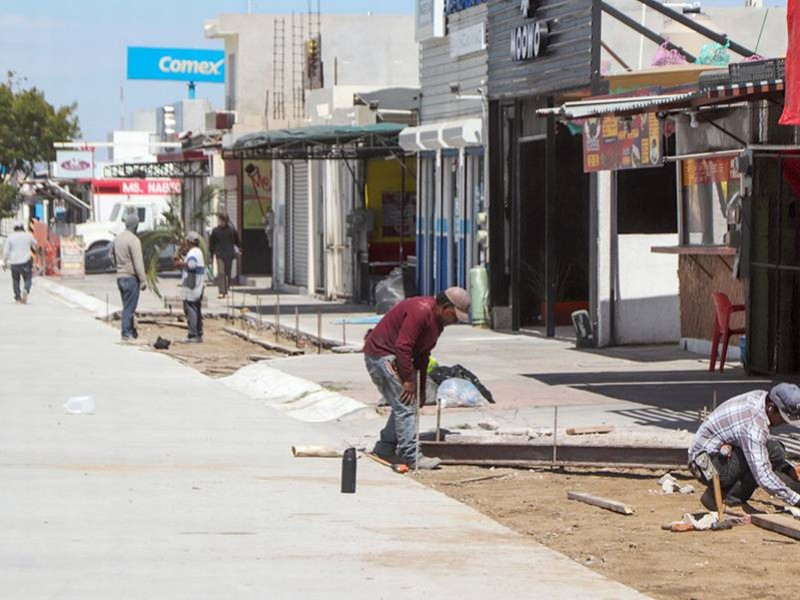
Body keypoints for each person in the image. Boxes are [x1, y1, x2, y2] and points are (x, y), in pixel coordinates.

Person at [363, 287, 471, 470]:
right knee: (405, 405)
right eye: (454, 315)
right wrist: (408, 381)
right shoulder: (420, 310)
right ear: (445, 307)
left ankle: (384, 448)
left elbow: (422, 354)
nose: (454, 321)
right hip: (381, 356)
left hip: (396, 356)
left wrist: (420, 388)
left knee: (407, 402)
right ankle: (410, 455)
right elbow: (403, 346)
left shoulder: (437, 323)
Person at [689, 383, 800, 510]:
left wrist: (787, 468)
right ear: (770, 408)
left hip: (708, 457)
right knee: (763, 458)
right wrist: (796, 500)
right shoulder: (753, 425)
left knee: (775, 450)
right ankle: (731, 500)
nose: (784, 423)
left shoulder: (760, 397)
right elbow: (762, 476)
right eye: (783, 419)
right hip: (705, 467)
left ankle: (718, 494)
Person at [113, 213, 147, 340]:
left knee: (127, 305)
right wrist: (143, 280)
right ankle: (126, 332)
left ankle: (132, 331)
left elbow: (111, 256)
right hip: (131, 278)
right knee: (130, 307)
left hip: (120, 277)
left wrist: (119, 266)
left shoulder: (118, 239)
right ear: (135, 226)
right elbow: (138, 262)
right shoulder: (134, 240)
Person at [177, 231, 205, 343]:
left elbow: (191, 265)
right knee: (196, 308)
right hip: (197, 285)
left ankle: (193, 334)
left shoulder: (193, 253)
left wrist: (180, 264)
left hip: (191, 286)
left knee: (190, 308)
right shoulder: (198, 252)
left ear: (189, 242)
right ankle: (199, 332)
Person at [2, 223, 38, 303]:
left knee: (15, 280)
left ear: (14, 229)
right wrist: (35, 252)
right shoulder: (28, 235)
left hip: (14, 262)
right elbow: (35, 244)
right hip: (25, 262)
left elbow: (6, 252)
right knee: (28, 278)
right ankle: (26, 289)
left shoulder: (10, 237)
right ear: (22, 228)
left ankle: (18, 298)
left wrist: (4, 263)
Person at [209, 213, 240, 299]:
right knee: (221, 272)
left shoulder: (232, 230)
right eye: (220, 220)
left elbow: (237, 241)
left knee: (228, 273)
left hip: (229, 255)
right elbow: (212, 244)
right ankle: (222, 291)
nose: (221, 222)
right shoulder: (215, 231)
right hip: (219, 254)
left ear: (226, 221)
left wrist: (239, 251)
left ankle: (226, 290)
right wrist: (211, 255)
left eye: (223, 221)